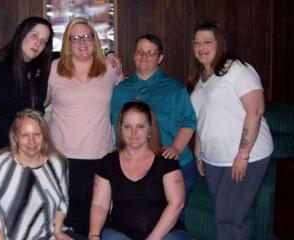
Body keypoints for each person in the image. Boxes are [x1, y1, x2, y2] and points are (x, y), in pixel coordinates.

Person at [189, 21, 274, 239]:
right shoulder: (201, 80)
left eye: (208, 41)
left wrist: (243, 155)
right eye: (197, 42)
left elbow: (256, 110)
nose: (201, 47)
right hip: (214, 160)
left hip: (245, 155)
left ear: (220, 44)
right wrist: (199, 154)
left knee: (227, 218)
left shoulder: (236, 68)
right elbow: (202, 120)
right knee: (226, 215)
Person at [45, 17, 123, 237]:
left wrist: (109, 54)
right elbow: (40, 103)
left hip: (100, 154)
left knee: (95, 219)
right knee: (66, 219)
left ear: (95, 40)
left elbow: (128, 97)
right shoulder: (54, 68)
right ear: (67, 43)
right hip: (62, 156)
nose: (82, 42)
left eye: (88, 36)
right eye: (75, 38)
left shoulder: (110, 68)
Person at [111, 33, 198, 219]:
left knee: (170, 223)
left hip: (175, 166)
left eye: (151, 52)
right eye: (140, 51)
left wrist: (177, 147)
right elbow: (116, 127)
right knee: (142, 221)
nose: (144, 56)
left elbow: (189, 122)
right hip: (138, 169)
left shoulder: (174, 88)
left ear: (160, 58)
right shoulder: (120, 91)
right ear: (133, 56)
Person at [89, 101, 190, 240]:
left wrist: (153, 238)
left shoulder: (167, 160)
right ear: (120, 129)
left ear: (150, 128)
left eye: (140, 126)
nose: (133, 133)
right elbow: (99, 205)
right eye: (127, 126)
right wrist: (93, 235)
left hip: (166, 234)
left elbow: (177, 203)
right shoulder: (108, 162)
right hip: (120, 233)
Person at [0, 16, 54, 170]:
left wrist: (108, 53)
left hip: (34, 155)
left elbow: (70, 53)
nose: (38, 43)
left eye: (44, 41)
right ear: (21, 34)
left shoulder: (41, 69)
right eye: (34, 35)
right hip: (2, 155)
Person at [0, 109, 70, 240]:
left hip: (46, 235)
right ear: (15, 137)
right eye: (25, 135)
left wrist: (58, 230)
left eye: (37, 134)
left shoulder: (58, 164)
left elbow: (63, 202)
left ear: (44, 136)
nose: (32, 141)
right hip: (1, 235)